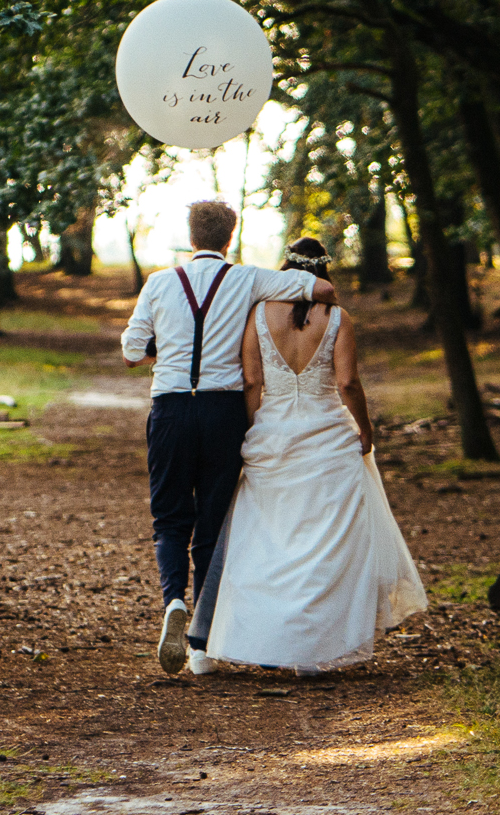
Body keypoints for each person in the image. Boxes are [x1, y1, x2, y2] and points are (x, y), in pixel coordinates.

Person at [189, 237, 426, 673]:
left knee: (269, 541)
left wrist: (252, 430)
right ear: (325, 273)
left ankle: (268, 637)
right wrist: (366, 431)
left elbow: (252, 381)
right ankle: (311, 652)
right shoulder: (337, 318)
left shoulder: (259, 315)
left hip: (273, 435)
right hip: (325, 436)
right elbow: (349, 383)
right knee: (321, 545)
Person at [120, 200, 337, 676]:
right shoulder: (249, 278)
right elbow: (321, 287)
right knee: (214, 522)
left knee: (171, 517)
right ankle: (201, 644)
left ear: (190, 236)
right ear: (230, 237)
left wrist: (168, 346)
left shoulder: (159, 283)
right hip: (223, 411)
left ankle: (173, 598)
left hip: (172, 408)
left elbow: (133, 351)